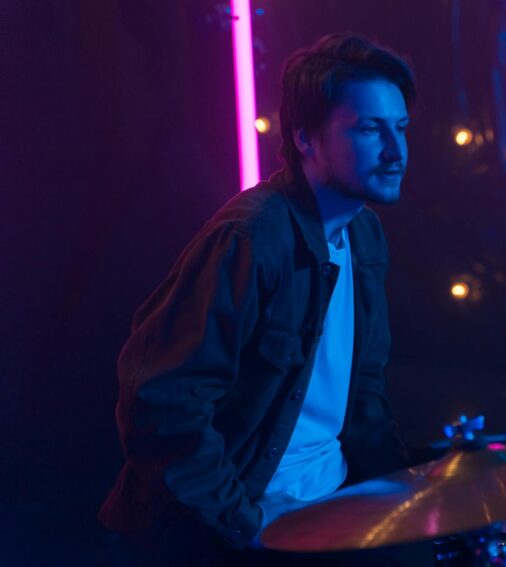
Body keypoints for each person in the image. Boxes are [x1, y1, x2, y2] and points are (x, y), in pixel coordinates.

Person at [98, 33, 419, 564]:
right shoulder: (251, 239)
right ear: (304, 138)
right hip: (239, 528)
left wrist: (401, 495)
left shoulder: (365, 237)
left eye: (401, 129)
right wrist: (243, 525)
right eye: (369, 129)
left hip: (331, 507)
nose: (395, 151)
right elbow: (161, 405)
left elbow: (364, 390)